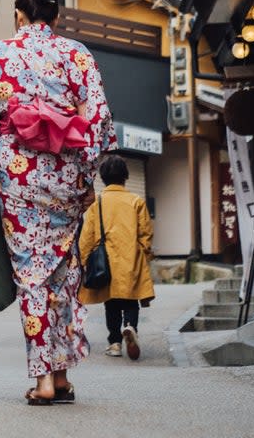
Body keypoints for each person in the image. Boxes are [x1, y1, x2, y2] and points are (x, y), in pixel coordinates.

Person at [0, 0, 116, 406]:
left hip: (19, 178)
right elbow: (98, 120)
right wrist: (87, 173)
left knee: (31, 275)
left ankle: (43, 379)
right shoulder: (77, 54)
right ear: (56, 16)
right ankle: (62, 376)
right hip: (66, 177)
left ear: (19, 15)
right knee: (64, 274)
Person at [78, 154, 155, 361]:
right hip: (132, 258)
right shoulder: (136, 201)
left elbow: (87, 236)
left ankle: (114, 343)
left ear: (102, 178)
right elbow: (146, 233)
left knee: (111, 303)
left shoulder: (98, 204)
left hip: (107, 262)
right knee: (130, 300)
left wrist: (83, 259)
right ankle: (130, 327)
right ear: (126, 177)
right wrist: (144, 252)